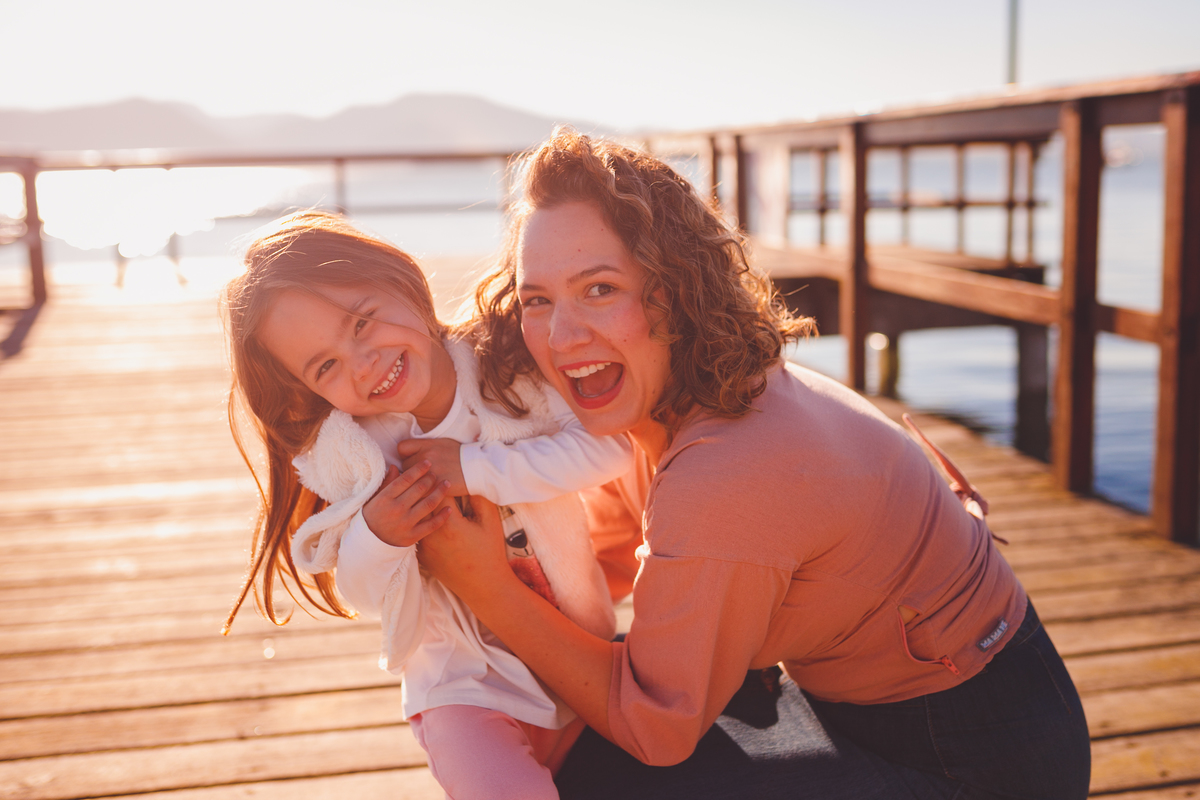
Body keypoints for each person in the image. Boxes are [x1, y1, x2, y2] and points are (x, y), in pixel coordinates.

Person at [414, 130, 1093, 799]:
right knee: (576, 748)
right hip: (860, 700)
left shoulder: (727, 470)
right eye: (538, 299)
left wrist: (488, 592)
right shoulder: (667, 405)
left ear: (678, 289)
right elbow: (611, 560)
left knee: (601, 783)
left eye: (599, 289)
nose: (560, 338)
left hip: (976, 755)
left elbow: (658, 729)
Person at [219, 210, 634, 800]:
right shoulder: (359, 451)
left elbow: (612, 448)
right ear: (308, 390)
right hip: (463, 692)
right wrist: (377, 534)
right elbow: (364, 593)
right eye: (327, 366)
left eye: (362, 323)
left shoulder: (507, 372)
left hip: (579, 658)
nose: (362, 364)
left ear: (403, 280)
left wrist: (473, 469)